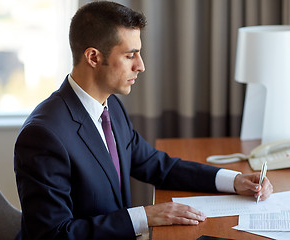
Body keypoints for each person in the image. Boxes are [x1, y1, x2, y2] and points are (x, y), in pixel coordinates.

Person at [14, 1, 273, 239]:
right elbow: (53, 235)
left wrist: (234, 180)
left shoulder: (111, 106)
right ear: (93, 57)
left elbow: (158, 165)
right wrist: (146, 216)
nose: (141, 65)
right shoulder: (43, 135)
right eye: (130, 55)